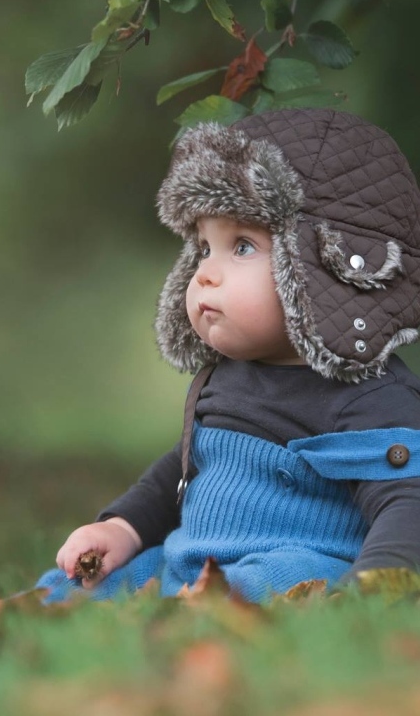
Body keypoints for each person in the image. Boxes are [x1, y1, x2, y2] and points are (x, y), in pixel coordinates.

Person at [36, 108, 420, 603]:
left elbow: (407, 502)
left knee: (280, 577)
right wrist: (122, 528)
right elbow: (180, 470)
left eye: (240, 247)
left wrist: (375, 587)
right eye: (202, 248)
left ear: (321, 269)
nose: (205, 275)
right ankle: (44, 605)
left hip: (295, 563)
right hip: (192, 560)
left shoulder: (370, 399)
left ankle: (209, 609)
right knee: (96, 580)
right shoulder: (227, 377)